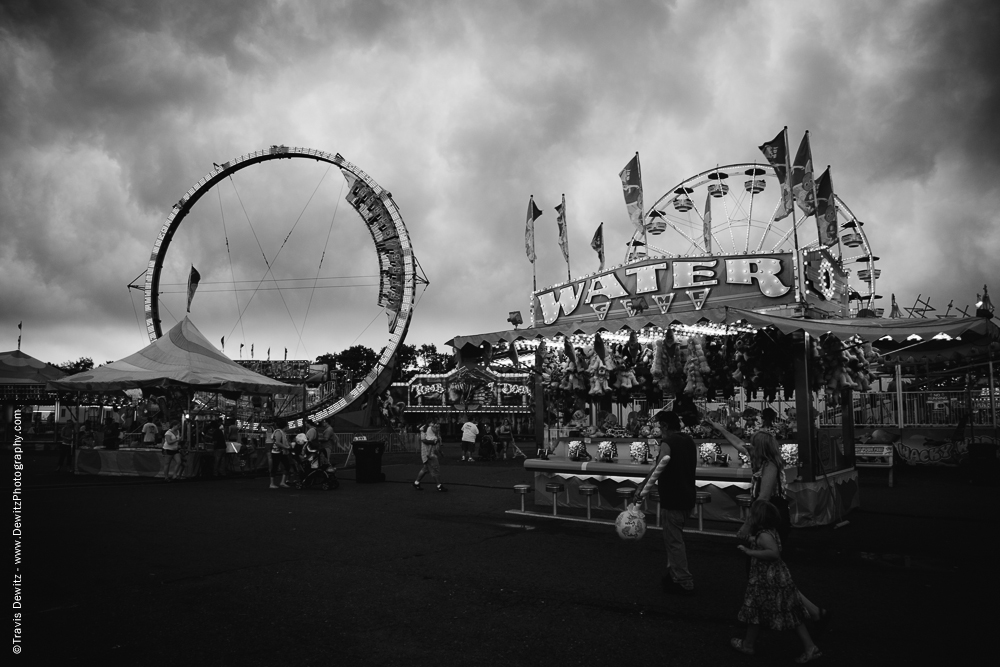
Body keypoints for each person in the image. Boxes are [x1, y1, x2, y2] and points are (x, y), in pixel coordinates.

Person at [731, 500, 825, 663]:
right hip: (775, 579)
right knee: (787, 613)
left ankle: (748, 645)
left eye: (751, 514)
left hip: (768, 581)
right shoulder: (768, 532)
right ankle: (809, 647)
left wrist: (750, 551)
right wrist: (752, 539)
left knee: (756, 610)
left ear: (757, 518)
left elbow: (773, 553)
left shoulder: (765, 536)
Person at [637, 411, 697, 594]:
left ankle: (683, 580)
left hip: (673, 497)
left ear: (664, 426)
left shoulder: (667, 443)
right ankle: (673, 575)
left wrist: (642, 488)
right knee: (674, 537)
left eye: (658, 425)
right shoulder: (689, 440)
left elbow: (658, 468)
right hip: (688, 495)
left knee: (674, 541)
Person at [708, 420, 791, 543]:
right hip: (764, 508)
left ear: (760, 448)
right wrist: (721, 429)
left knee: (768, 547)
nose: (749, 446)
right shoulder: (759, 457)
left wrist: (748, 524)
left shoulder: (770, 465)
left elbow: (764, 496)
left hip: (771, 510)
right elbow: (738, 443)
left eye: (753, 444)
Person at [413, 421, 447, 491]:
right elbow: (427, 442)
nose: (437, 428)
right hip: (429, 454)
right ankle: (439, 486)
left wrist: (440, 452)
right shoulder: (429, 435)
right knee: (435, 469)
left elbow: (436, 445)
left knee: (425, 469)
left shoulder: (433, 435)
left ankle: (416, 483)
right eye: (435, 427)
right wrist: (430, 454)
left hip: (427, 454)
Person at [269, 423, 291, 489]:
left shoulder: (281, 432)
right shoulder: (278, 432)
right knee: (275, 466)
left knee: (287, 465)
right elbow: (277, 442)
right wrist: (286, 447)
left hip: (281, 451)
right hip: (277, 452)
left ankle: (282, 482)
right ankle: (272, 483)